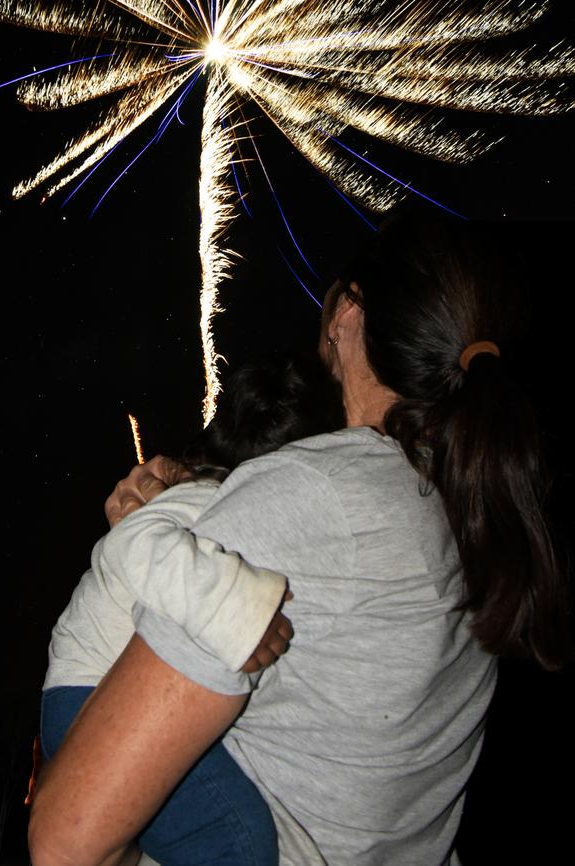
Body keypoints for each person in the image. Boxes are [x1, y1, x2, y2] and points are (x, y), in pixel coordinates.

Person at [29, 212, 569, 866]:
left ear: (346, 314)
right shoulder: (472, 501)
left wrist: (171, 537)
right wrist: (186, 522)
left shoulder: (308, 493)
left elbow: (69, 841)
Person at [38, 352, 345, 866]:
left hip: (85, 696)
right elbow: (131, 543)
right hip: (87, 696)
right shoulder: (205, 501)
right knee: (238, 840)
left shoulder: (206, 495)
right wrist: (237, 611)